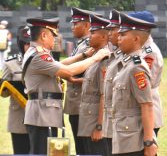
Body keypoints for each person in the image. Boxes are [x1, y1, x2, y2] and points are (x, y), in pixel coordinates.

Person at [22, 17, 110, 155]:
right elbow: (68, 71)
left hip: (44, 112)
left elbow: (60, 64)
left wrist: (84, 55)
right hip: (43, 114)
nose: (55, 39)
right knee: (43, 153)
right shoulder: (40, 55)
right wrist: (95, 58)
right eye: (53, 35)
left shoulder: (36, 52)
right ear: (44, 35)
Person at [111, 12, 157, 156]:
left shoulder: (136, 67)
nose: (118, 38)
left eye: (123, 35)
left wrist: (149, 142)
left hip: (133, 141)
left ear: (136, 39)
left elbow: (147, 105)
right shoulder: (127, 63)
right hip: (123, 136)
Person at [63, 7, 102, 155]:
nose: (72, 27)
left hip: (84, 102)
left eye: (75, 24)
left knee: (86, 148)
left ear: (86, 25)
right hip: (77, 102)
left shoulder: (89, 45)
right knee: (81, 148)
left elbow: (88, 75)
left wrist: (70, 77)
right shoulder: (82, 45)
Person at [0, 26, 31, 154]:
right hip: (19, 116)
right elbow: (4, 93)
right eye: (26, 43)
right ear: (20, 44)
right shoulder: (10, 63)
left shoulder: (45, 61)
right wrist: (4, 87)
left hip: (40, 116)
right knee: (20, 152)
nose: (29, 46)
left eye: (31, 43)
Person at [77, 14, 110, 156]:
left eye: (93, 33)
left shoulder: (105, 59)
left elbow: (104, 95)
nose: (89, 36)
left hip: (94, 121)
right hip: (87, 118)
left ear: (103, 37)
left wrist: (99, 126)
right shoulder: (94, 56)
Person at [128, 11, 164, 138]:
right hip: (140, 110)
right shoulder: (139, 48)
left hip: (149, 112)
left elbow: (146, 84)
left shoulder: (150, 52)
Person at [102, 9, 123, 156]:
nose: (109, 34)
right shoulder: (114, 55)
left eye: (113, 30)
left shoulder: (128, 59)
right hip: (110, 117)